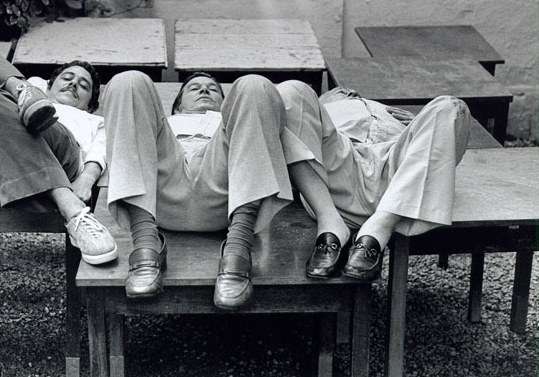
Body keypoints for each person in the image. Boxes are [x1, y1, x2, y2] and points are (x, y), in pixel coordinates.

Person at [100, 70, 293, 309]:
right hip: (162, 193)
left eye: (213, 89)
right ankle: (146, 247)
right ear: (178, 106)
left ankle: (238, 252)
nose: (204, 89)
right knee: (127, 81)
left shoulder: (232, 121)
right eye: (194, 88)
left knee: (255, 85)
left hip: (225, 194)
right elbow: (111, 142)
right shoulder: (164, 123)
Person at [0, 31, 117, 265]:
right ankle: (21, 91)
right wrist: (23, 87)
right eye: (67, 77)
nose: (74, 83)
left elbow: (101, 151)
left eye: (83, 85)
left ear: (91, 105)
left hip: (60, 157)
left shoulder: (95, 121)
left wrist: (87, 179)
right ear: (48, 86)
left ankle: (68, 204)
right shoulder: (22, 89)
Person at [276, 81, 471, 281]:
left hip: (400, 173)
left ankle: (379, 228)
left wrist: (423, 125)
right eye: (340, 93)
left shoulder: (389, 113)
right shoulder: (317, 112)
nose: (349, 92)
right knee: (290, 92)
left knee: (451, 107)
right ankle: (331, 222)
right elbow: (290, 136)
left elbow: (437, 148)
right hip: (337, 169)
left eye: (351, 93)